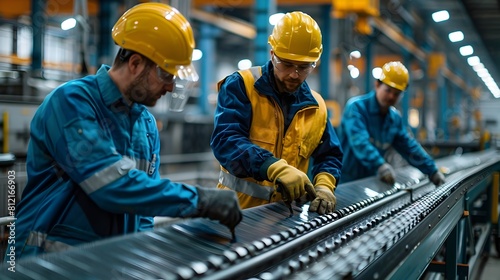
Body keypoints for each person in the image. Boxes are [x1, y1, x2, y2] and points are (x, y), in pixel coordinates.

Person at [9, 3, 241, 260]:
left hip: (108, 264)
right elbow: (111, 185)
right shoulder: (72, 102)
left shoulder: (147, 126)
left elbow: (143, 211)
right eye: (166, 74)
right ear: (135, 63)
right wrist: (200, 200)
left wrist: (137, 258)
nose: (170, 87)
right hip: (45, 263)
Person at [210, 11, 343, 215]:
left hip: (287, 219)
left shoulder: (317, 106)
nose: (294, 74)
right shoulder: (242, 85)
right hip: (236, 215)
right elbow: (226, 140)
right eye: (287, 64)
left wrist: (324, 185)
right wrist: (273, 167)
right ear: (272, 54)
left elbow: (329, 154)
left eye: (304, 67)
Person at [338, 61, 446, 186]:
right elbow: (359, 142)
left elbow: (409, 147)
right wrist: (380, 165)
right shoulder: (356, 108)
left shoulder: (394, 119)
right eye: (388, 90)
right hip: (346, 181)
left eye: (396, 94)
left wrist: (432, 170)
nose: (391, 96)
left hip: (372, 180)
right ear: (378, 85)